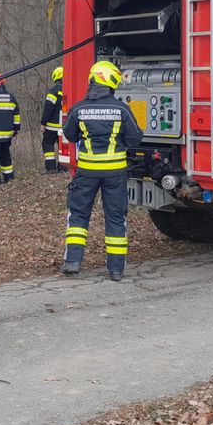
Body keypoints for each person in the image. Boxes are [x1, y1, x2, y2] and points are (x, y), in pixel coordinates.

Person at [61, 60, 142, 281]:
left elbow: (69, 135)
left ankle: (73, 262)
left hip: (86, 172)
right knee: (115, 218)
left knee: (78, 215)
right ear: (111, 82)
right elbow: (135, 137)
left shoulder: (78, 108)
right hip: (115, 174)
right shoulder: (121, 109)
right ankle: (115, 270)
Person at [40, 66, 64, 173]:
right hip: (65, 127)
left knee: (47, 144)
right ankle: (63, 168)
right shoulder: (70, 90)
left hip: (52, 127)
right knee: (63, 147)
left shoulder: (53, 92)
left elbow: (48, 108)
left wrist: (43, 123)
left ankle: (51, 168)